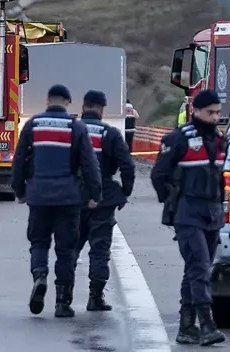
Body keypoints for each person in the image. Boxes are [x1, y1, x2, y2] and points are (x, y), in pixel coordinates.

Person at [10, 84, 102, 319]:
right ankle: (63, 302)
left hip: (39, 196)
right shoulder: (76, 127)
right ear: (68, 102)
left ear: (47, 100)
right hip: (68, 198)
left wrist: (20, 190)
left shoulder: (33, 125)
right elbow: (90, 164)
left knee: (39, 242)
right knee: (66, 250)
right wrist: (95, 194)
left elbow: (19, 159)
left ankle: (40, 275)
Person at [151, 89, 227, 346]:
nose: (215, 117)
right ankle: (206, 324)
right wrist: (172, 201)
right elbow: (158, 175)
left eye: (217, 112)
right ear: (195, 111)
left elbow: (220, 177)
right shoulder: (178, 139)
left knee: (199, 268)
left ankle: (186, 325)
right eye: (210, 112)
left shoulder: (219, 141)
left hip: (213, 213)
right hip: (188, 212)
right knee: (198, 267)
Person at [75, 89, 135, 312]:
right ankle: (95, 296)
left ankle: (63, 298)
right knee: (99, 250)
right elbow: (127, 164)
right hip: (102, 197)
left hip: (73, 197)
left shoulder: (72, 130)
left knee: (70, 248)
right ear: (101, 109)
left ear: (83, 107)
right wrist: (125, 192)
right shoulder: (109, 134)